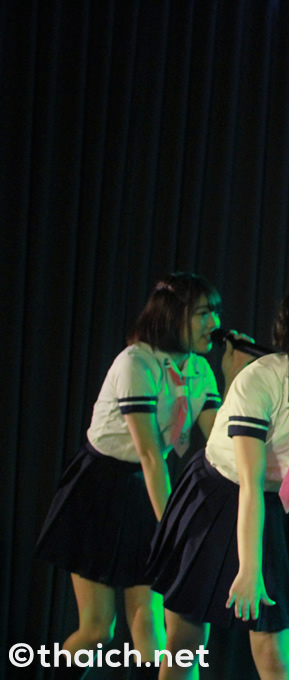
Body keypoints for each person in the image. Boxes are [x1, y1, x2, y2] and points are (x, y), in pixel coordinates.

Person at [147, 283, 289, 679]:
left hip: (281, 506)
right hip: (218, 499)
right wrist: (249, 568)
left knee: (276, 655)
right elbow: (249, 484)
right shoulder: (262, 380)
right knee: (184, 644)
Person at [36, 272, 250, 679]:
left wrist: (233, 377)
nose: (214, 323)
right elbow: (150, 455)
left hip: (145, 492)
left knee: (149, 629)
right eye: (203, 313)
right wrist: (172, 531)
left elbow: (221, 443)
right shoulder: (136, 362)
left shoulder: (199, 369)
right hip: (99, 488)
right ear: (173, 315)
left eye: (216, 312)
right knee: (98, 629)